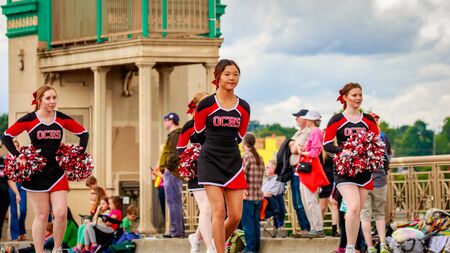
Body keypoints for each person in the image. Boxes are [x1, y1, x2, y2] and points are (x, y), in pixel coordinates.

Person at [1, 85, 89, 253]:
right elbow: (6, 137)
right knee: (42, 215)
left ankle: (57, 249)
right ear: (39, 100)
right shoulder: (30, 119)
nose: (52, 101)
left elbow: (83, 133)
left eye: (54, 98)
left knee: (61, 213)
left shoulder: (61, 118)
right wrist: (18, 155)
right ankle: (40, 251)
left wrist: (78, 154)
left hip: (57, 172)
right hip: (36, 174)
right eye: (48, 98)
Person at [194, 59, 250, 253]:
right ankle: (219, 251)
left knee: (235, 216)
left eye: (235, 74)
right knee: (219, 210)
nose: (232, 78)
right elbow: (199, 133)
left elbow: (240, 137)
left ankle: (216, 246)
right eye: (227, 74)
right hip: (210, 160)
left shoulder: (243, 107)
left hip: (233, 161)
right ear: (217, 77)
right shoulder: (206, 105)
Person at [324, 82, 379, 253]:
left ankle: (352, 246)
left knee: (357, 211)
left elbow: (377, 142)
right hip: (344, 170)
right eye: (354, 95)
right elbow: (326, 144)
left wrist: (372, 156)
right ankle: (348, 248)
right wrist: (343, 150)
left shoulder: (368, 120)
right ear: (345, 97)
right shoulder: (337, 119)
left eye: (360, 95)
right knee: (353, 206)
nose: (358, 98)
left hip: (363, 171)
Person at [176, 91, 214, 253]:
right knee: (206, 208)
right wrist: (192, 155)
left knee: (212, 208)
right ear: (197, 106)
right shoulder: (189, 126)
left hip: (214, 170)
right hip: (197, 171)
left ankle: (196, 237)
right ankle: (211, 247)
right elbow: (180, 149)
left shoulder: (214, 124)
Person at [360, 112, 391, 253]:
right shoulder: (380, 140)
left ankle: (370, 246)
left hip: (364, 182)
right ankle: (383, 244)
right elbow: (386, 159)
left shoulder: (358, 140)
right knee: (379, 214)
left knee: (365, 215)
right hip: (380, 180)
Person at [295, 110, 329, 238]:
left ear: (312, 120)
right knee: (307, 201)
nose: (306, 121)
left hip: (310, 170)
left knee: (310, 200)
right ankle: (315, 227)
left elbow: (315, 152)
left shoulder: (315, 131)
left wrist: (302, 152)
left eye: (308, 119)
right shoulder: (314, 131)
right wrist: (303, 150)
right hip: (308, 169)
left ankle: (318, 228)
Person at [154, 112, 184, 238]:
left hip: (172, 172)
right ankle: (176, 230)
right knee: (173, 202)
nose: (164, 122)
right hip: (172, 172)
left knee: (173, 202)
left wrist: (167, 168)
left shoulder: (175, 135)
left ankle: (176, 231)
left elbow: (174, 154)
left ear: (170, 121)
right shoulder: (175, 135)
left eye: (165, 120)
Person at [289, 109, 312, 236]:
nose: (296, 119)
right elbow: (291, 146)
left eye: (297, 116)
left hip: (302, 168)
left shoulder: (309, 132)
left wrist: (294, 147)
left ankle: (307, 228)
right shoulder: (299, 132)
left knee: (301, 201)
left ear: (304, 118)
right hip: (294, 169)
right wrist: (294, 146)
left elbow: (296, 148)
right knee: (296, 202)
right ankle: (304, 227)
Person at [241, 133, 264, 253]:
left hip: (247, 195)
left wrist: (243, 190)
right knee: (255, 223)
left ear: (244, 143)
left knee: (247, 223)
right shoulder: (259, 157)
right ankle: (255, 248)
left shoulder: (246, 156)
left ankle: (250, 248)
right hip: (258, 195)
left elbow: (242, 175)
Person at [0, 140, 21, 241]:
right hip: (5, 192)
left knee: (0, 222)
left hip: (5, 195)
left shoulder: (3, 161)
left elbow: (9, 179)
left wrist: (17, 193)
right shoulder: (5, 160)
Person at [8, 139, 28, 241]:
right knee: (14, 212)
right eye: (13, 146)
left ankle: (21, 230)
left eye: (16, 146)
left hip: (22, 185)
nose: (15, 148)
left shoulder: (22, 158)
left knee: (24, 210)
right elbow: (9, 178)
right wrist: (16, 194)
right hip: (12, 186)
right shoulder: (7, 160)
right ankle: (15, 236)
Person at [319, 147, 340, 237]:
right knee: (322, 207)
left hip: (334, 180)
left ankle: (334, 229)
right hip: (323, 181)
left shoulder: (336, 150)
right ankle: (319, 228)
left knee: (334, 205)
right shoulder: (321, 152)